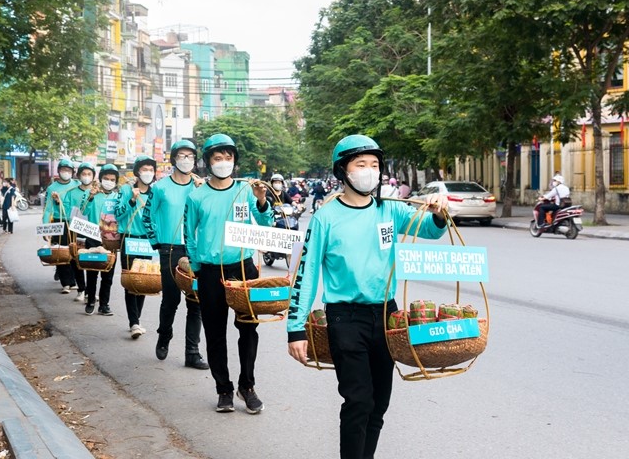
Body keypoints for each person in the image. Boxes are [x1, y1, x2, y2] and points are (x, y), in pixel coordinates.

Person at [287, 135, 449, 459]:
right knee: (358, 400)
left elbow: (430, 229)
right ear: (343, 171)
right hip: (345, 317)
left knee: (378, 403)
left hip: (387, 316)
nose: (369, 171)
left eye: (374, 165)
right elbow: (306, 274)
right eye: (361, 164)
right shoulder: (325, 218)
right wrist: (295, 327)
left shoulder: (390, 211)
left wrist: (438, 214)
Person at [184, 134, 273, 414]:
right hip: (211, 271)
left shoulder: (246, 190)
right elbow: (190, 235)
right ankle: (223, 388)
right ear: (208, 162)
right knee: (214, 331)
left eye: (228, 158)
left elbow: (265, 224)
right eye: (217, 158)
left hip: (243, 267)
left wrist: (261, 201)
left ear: (235, 161)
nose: (224, 163)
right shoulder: (197, 196)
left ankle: (247, 386)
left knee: (248, 328)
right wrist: (197, 268)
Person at [143, 140, 208, 370]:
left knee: (196, 302)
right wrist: (156, 243)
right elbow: (146, 216)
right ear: (174, 159)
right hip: (170, 249)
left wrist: (203, 193)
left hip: (195, 250)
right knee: (171, 298)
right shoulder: (160, 188)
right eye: (182, 155)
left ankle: (192, 351)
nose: (186, 159)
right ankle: (164, 334)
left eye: (190, 156)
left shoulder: (202, 188)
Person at [108, 155, 157, 338]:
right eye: (144, 169)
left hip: (147, 242)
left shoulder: (155, 192)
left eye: (150, 170)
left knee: (144, 281)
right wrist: (132, 201)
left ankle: (137, 319)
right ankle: (134, 322)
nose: (147, 173)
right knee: (131, 280)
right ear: (137, 172)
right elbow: (118, 214)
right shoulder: (127, 191)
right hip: (130, 240)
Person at [82, 164, 119, 316]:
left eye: (112, 179)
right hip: (93, 237)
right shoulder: (92, 194)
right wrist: (90, 196)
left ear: (116, 181)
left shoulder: (118, 197)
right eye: (106, 178)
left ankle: (104, 304)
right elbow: (82, 211)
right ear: (101, 178)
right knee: (92, 272)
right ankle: (91, 300)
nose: (109, 181)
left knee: (108, 274)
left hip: (111, 239)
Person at [63, 163, 99, 301]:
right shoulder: (71, 193)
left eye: (89, 174)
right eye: (84, 174)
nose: (86, 177)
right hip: (76, 230)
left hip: (93, 231)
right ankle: (81, 289)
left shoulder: (98, 192)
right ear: (78, 176)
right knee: (76, 259)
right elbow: (66, 211)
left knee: (91, 261)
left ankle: (90, 291)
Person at [44, 159, 80, 291]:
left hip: (75, 222)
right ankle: (66, 283)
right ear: (59, 171)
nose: (66, 172)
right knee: (60, 252)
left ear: (72, 172)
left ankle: (75, 279)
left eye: (69, 170)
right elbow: (47, 209)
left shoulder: (78, 185)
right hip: (59, 222)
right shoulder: (52, 188)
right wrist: (45, 229)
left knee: (74, 252)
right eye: (64, 170)